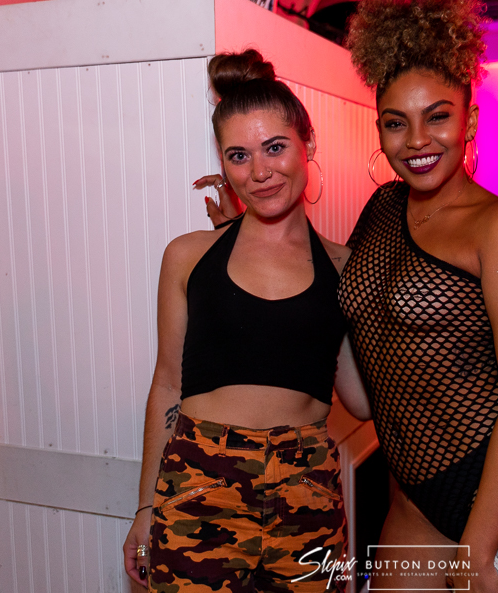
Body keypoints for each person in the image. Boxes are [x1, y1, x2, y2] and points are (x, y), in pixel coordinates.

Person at [340, 1, 498, 591]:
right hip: (416, 496)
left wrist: (477, 551)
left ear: (470, 121)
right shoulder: (382, 209)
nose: (417, 140)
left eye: (437, 117)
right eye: (395, 122)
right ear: (378, 127)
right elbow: (359, 390)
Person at [122, 49, 370, 592]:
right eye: (239, 156)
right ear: (223, 160)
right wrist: (145, 508)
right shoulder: (188, 256)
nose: (259, 172)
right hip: (199, 484)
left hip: (307, 488)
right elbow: (167, 384)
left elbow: (360, 399)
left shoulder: (344, 266)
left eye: (275, 147)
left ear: (308, 144)